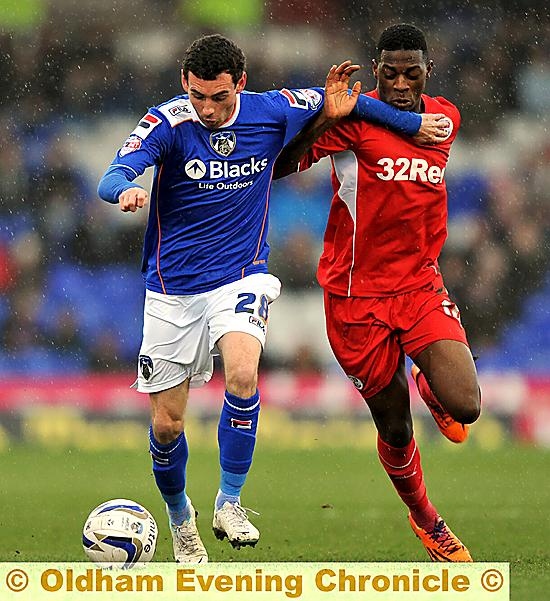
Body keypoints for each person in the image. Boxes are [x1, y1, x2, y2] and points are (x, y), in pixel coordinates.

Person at [97, 33, 450, 564]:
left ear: (240, 84)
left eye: (219, 97)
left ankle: (230, 501)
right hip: (172, 290)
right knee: (167, 426)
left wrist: (414, 124)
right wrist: (124, 190)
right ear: (183, 86)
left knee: (241, 374)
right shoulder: (168, 122)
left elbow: (349, 105)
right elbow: (115, 171)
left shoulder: (273, 108)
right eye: (197, 96)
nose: (208, 109)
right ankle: (180, 520)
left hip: (241, 276)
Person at [274, 23, 481, 562]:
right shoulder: (352, 124)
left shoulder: (445, 117)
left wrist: (376, 114)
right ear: (377, 68)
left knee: (467, 405)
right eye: (389, 72)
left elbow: (420, 130)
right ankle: (427, 520)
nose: (400, 83)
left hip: (417, 285)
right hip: (354, 297)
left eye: (412, 72)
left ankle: (430, 382)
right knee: (393, 422)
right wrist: (326, 118)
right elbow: (279, 166)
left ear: (427, 71)